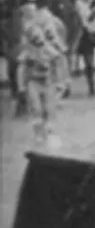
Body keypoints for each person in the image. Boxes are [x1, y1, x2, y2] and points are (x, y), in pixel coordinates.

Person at [14, 13, 65, 146]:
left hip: (48, 82)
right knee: (36, 108)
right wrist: (21, 86)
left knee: (49, 108)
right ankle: (38, 134)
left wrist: (60, 81)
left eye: (39, 34)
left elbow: (58, 61)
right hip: (33, 83)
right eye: (34, 35)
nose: (37, 38)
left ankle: (50, 132)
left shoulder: (48, 48)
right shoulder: (28, 51)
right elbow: (21, 68)